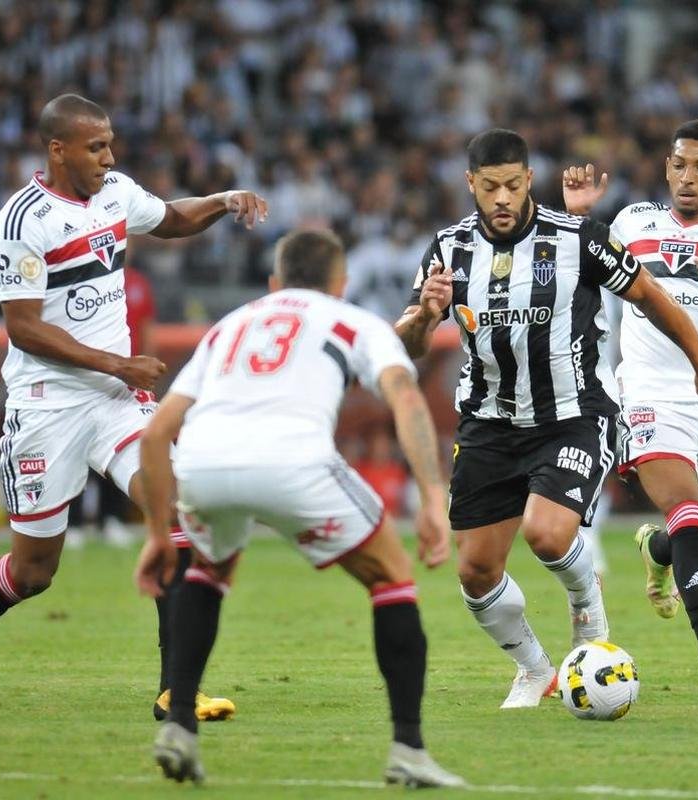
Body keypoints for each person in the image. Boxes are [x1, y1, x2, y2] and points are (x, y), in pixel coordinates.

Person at [0, 94, 265, 721]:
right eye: (96, 146)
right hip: (47, 405)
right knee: (33, 572)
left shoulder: (115, 194)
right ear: (58, 149)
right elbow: (23, 328)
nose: (110, 156)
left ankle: (174, 691)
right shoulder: (21, 222)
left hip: (115, 402)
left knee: (178, 509)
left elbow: (171, 220)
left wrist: (220, 201)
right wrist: (118, 362)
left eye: (110, 144)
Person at [395, 128, 698, 708]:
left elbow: (651, 294)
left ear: (529, 180)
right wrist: (425, 316)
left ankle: (590, 621)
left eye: (514, 184)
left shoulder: (578, 237)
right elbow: (411, 344)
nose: (502, 198)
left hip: (573, 414)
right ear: (471, 185)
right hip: (488, 423)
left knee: (548, 533)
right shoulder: (448, 250)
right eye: (490, 187)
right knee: (475, 572)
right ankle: (534, 669)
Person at [133, 229, 464, 788]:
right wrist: (433, 498)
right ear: (342, 283)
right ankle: (408, 747)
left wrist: (156, 534)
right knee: (392, 576)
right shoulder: (349, 317)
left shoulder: (229, 325)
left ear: (273, 282)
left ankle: (180, 726)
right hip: (294, 462)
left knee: (209, 570)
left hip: (204, 462)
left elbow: (157, 432)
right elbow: (405, 396)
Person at [562, 120, 698, 699]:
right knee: (687, 508)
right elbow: (572, 265)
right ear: (667, 168)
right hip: (648, 394)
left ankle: (657, 551)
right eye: (679, 165)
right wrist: (582, 219)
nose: (687, 177)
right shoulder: (633, 223)